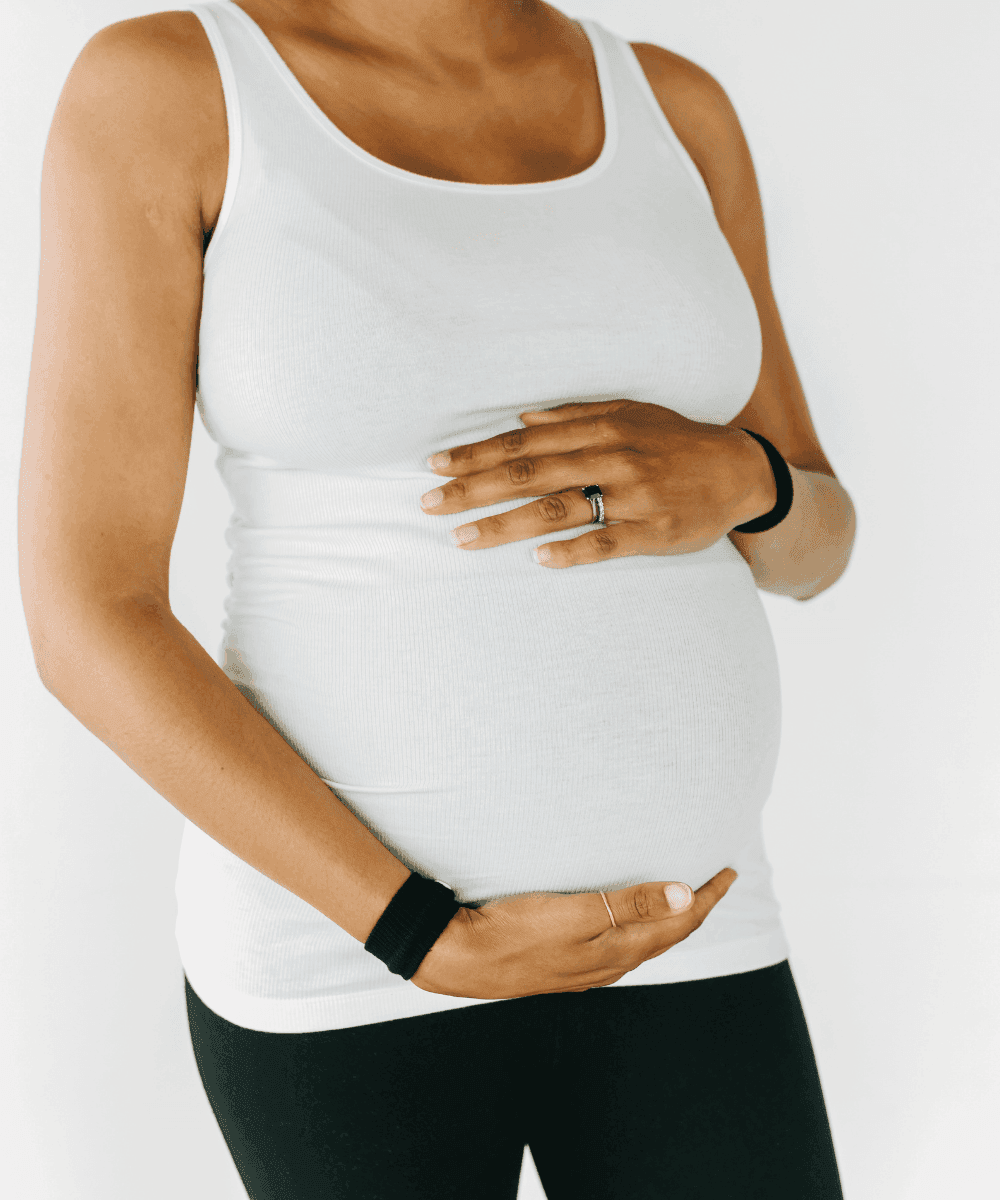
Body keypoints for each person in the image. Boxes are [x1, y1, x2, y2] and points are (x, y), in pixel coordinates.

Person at [19, 0, 856, 1195]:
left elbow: (816, 547)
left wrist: (750, 482)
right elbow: (88, 611)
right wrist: (417, 930)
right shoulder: (175, 85)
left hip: (692, 930)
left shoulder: (674, 106)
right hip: (353, 959)